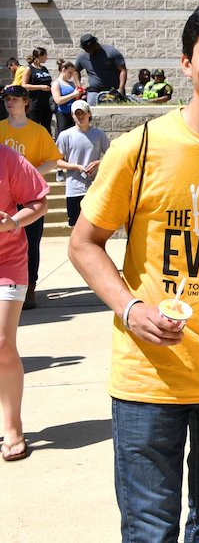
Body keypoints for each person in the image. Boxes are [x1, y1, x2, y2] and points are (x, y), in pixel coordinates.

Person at [68, 1, 199, 541]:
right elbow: (84, 243)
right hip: (149, 379)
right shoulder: (138, 148)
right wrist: (130, 307)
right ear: (186, 63)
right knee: (149, 527)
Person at [0, 143, 48, 462]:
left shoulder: (8, 158)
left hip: (7, 261)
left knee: (2, 342)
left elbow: (39, 202)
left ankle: (13, 426)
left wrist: (13, 222)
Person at [0, 85, 63, 310]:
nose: (10, 102)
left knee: (31, 241)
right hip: (5, 197)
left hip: (28, 195)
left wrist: (29, 175)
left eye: (15, 99)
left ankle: (30, 286)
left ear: (26, 102)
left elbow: (53, 160)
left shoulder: (38, 131)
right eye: (7, 98)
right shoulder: (0, 128)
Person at [55, 100, 109, 227]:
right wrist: (76, 166)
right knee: (76, 227)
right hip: (74, 188)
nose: (80, 116)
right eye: (77, 114)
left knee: (95, 225)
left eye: (83, 113)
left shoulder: (99, 134)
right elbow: (56, 161)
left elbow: (113, 155)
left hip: (95, 187)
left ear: (89, 114)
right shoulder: (65, 135)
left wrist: (98, 163)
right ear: (72, 116)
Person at [74, 33, 127, 105]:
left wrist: (121, 88)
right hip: (94, 91)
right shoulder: (82, 57)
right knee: (92, 111)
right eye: (86, 49)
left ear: (95, 44)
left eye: (89, 48)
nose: (88, 51)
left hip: (114, 90)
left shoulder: (111, 52)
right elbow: (75, 71)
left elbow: (122, 70)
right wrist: (79, 85)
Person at [52, 60, 86, 139]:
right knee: (63, 136)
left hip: (72, 113)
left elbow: (76, 95)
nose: (71, 75)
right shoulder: (56, 83)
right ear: (63, 70)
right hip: (62, 113)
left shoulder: (71, 83)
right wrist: (73, 95)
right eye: (70, 73)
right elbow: (58, 100)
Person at [23, 47, 53, 131]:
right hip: (35, 102)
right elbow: (24, 85)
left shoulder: (44, 69)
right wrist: (40, 87)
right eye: (45, 55)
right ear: (39, 56)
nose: (47, 58)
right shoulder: (29, 69)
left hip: (46, 102)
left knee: (46, 126)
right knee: (34, 126)